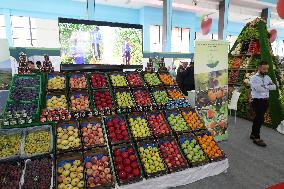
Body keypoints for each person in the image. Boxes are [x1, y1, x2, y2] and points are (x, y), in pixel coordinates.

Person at [249, 61, 276, 147]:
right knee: (260, 118)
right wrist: (267, 86)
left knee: (258, 118)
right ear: (259, 68)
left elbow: (274, 87)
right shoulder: (253, 78)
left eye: (267, 69)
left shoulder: (267, 77)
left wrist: (265, 86)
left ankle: (253, 134)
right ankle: (257, 138)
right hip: (257, 100)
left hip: (265, 101)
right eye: (264, 69)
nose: (266, 70)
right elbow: (259, 89)